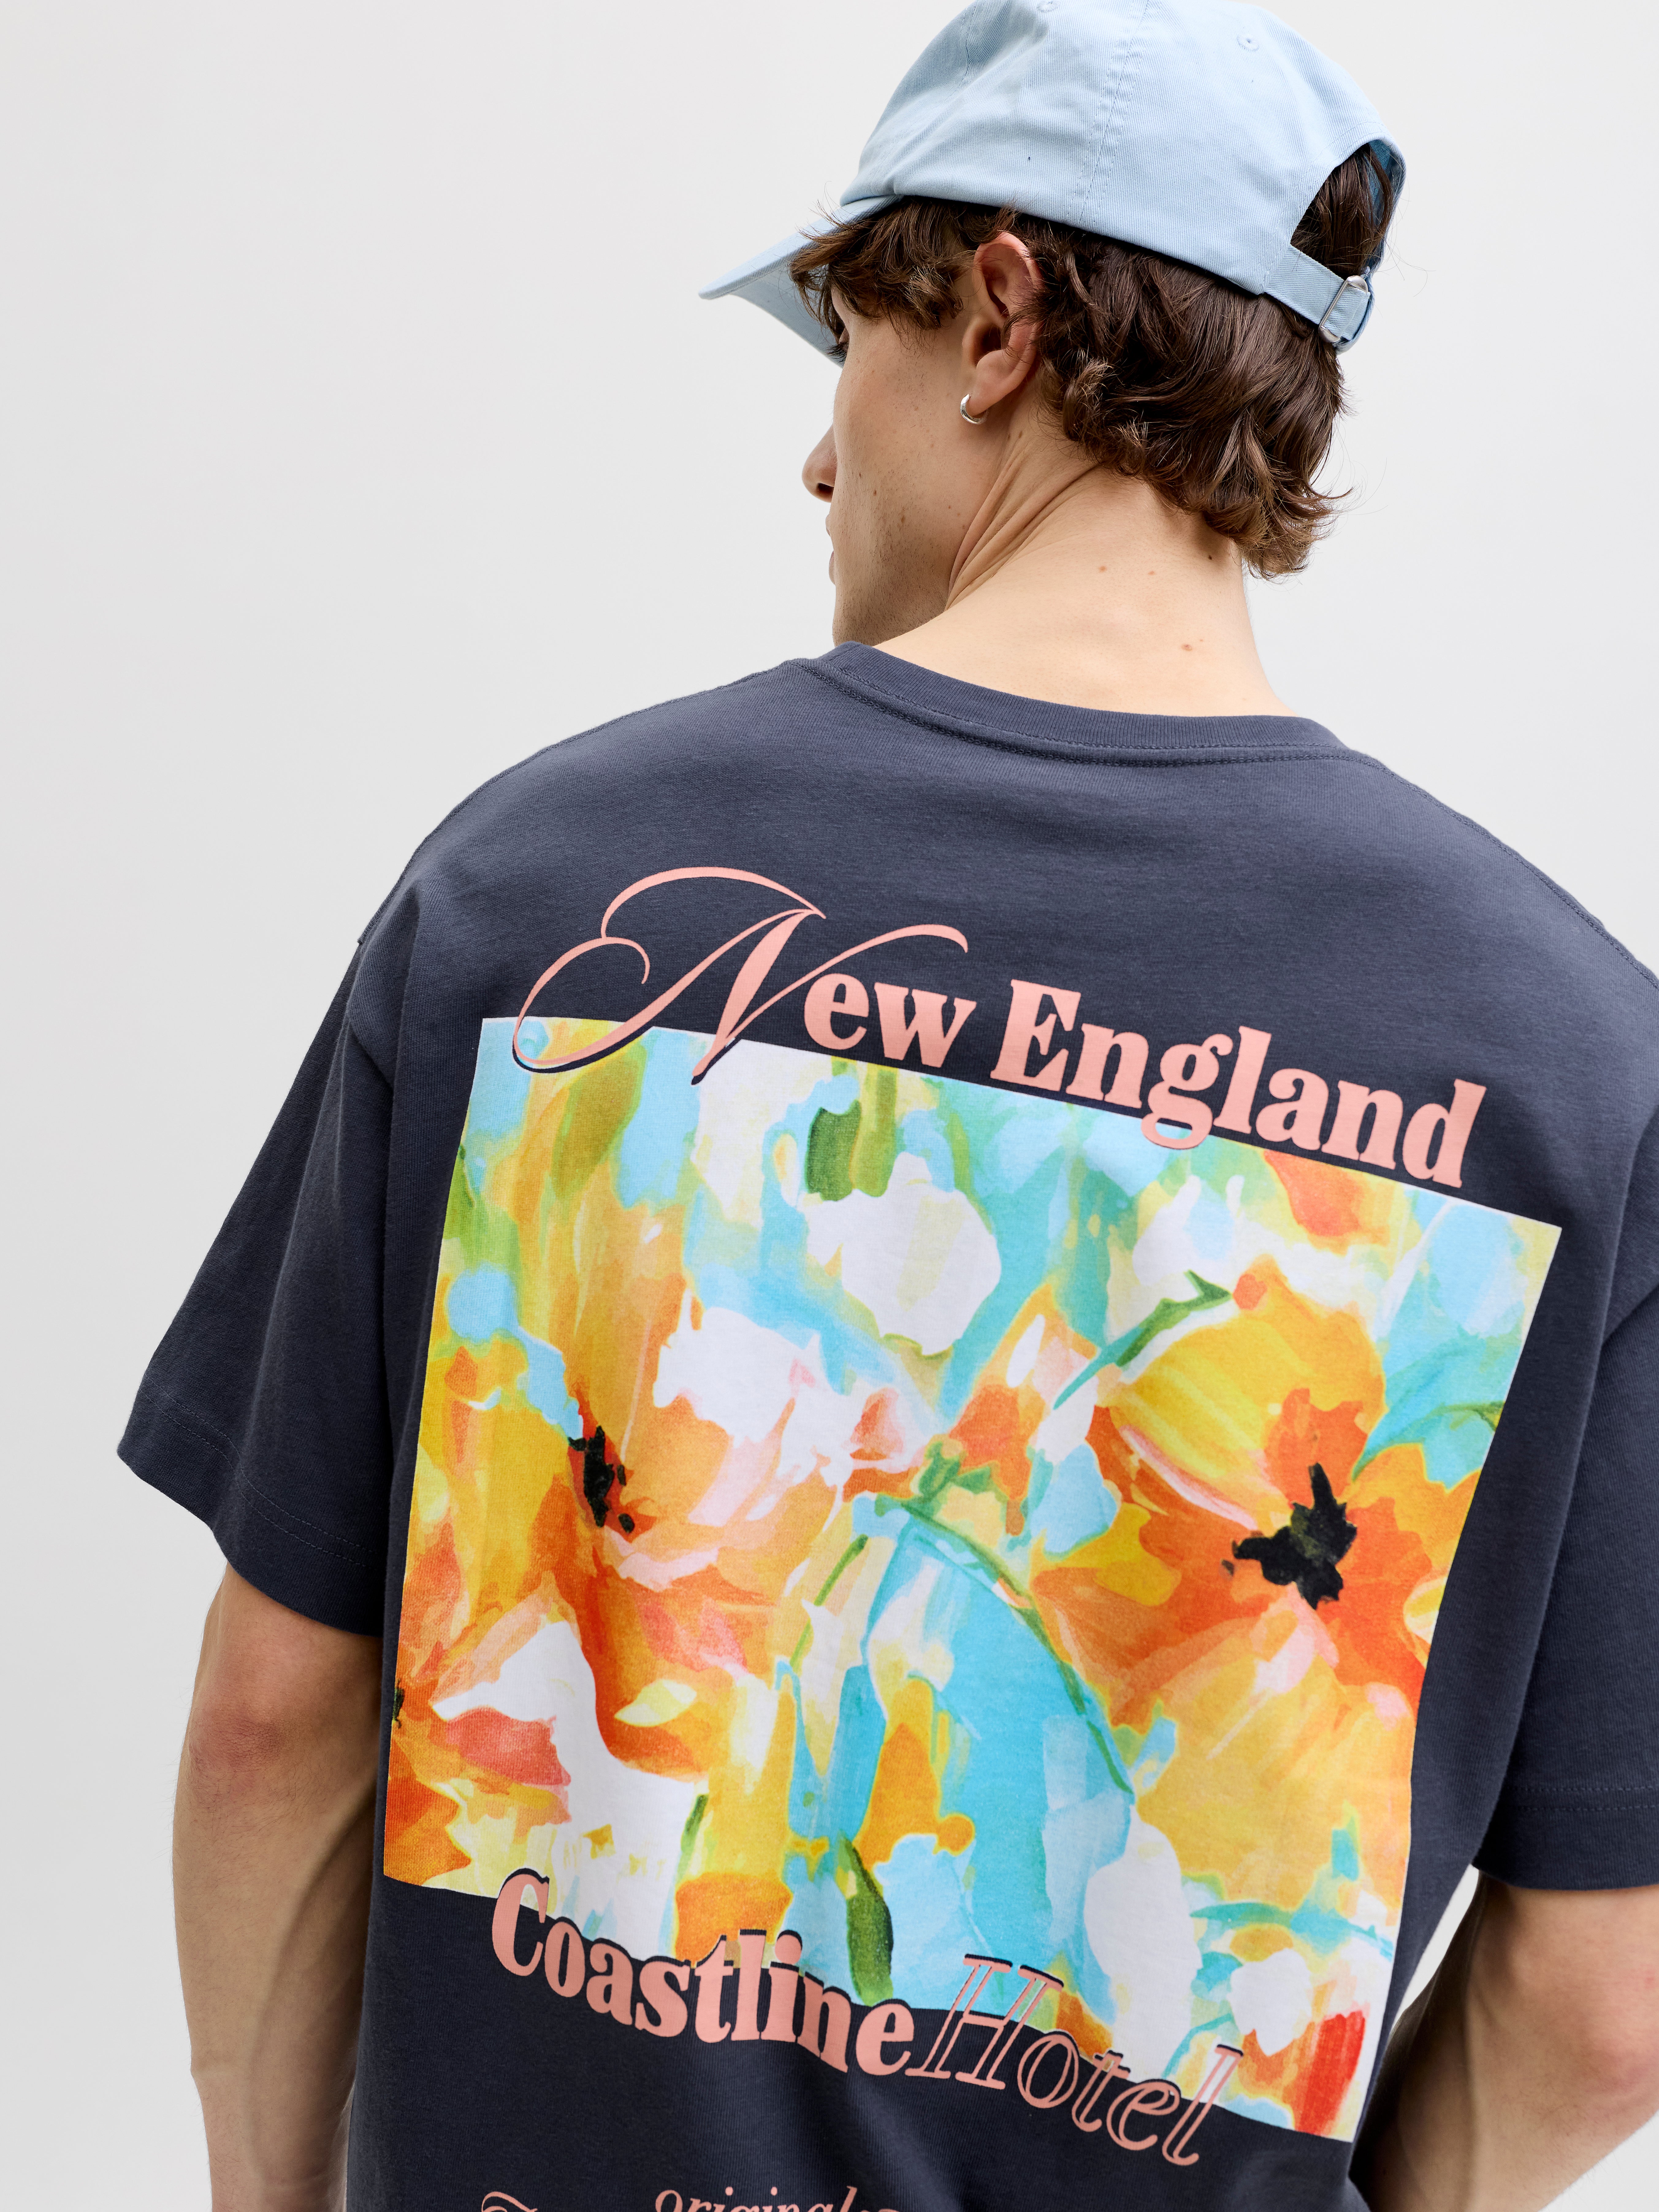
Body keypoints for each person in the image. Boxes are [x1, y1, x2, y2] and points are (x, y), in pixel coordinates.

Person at [123, 4, 1659, 2208]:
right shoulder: (1577, 1062)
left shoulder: (536, 896)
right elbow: (1604, 1995)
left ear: (999, 321)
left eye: (846, 342)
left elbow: (273, 1725)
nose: (820, 461)